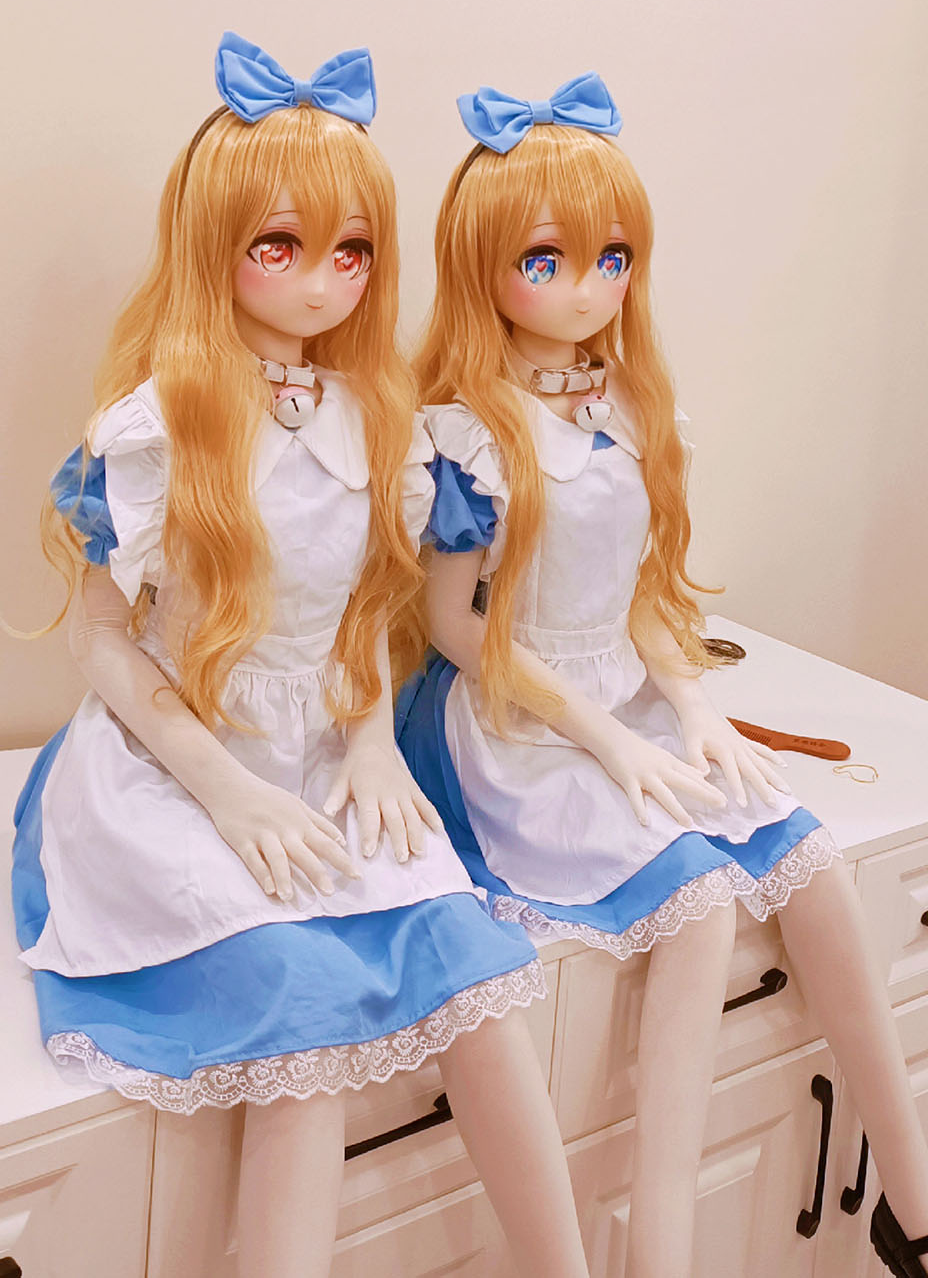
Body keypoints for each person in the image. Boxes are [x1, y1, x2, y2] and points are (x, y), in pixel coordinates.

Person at [11, 36, 588, 1278]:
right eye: (282, 246)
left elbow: (364, 608)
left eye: (353, 251)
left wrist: (372, 739)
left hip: (328, 747)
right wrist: (226, 789)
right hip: (176, 760)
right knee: (302, 1013)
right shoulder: (157, 427)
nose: (325, 282)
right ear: (215, 243)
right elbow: (101, 642)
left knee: (469, 970)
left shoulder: (381, 420)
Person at [396, 70, 928, 1278]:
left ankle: (913, 1197)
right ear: (481, 266)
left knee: (811, 859)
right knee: (695, 905)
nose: (587, 289)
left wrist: (690, 705)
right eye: (546, 261)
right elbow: (457, 630)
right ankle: (661, 1251)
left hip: (627, 697)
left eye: (613, 258)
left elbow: (641, 595)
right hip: (517, 723)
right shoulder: (465, 435)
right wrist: (604, 736)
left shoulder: (631, 410)